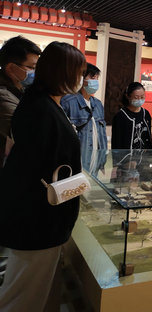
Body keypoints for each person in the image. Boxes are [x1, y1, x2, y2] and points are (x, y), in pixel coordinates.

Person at [0, 41, 86, 311]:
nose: (81, 79)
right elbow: (35, 165)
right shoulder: (40, 109)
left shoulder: (44, 103)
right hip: (36, 219)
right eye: (79, 72)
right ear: (63, 72)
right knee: (23, 297)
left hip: (43, 218)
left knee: (34, 291)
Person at [0, 36, 41, 166]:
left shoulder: (21, 90)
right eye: (32, 67)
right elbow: (30, 132)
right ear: (11, 68)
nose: (36, 72)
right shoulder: (3, 96)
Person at [61, 63, 108, 173]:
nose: (95, 82)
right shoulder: (68, 102)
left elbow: (102, 134)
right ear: (81, 78)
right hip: (77, 163)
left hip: (95, 162)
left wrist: (102, 161)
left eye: (97, 78)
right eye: (92, 77)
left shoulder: (98, 104)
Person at [111, 82, 152, 150]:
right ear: (128, 96)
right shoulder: (121, 116)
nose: (139, 100)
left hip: (144, 155)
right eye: (136, 97)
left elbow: (149, 137)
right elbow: (116, 142)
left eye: (142, 97)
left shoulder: (146, 114)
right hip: (127, 155)